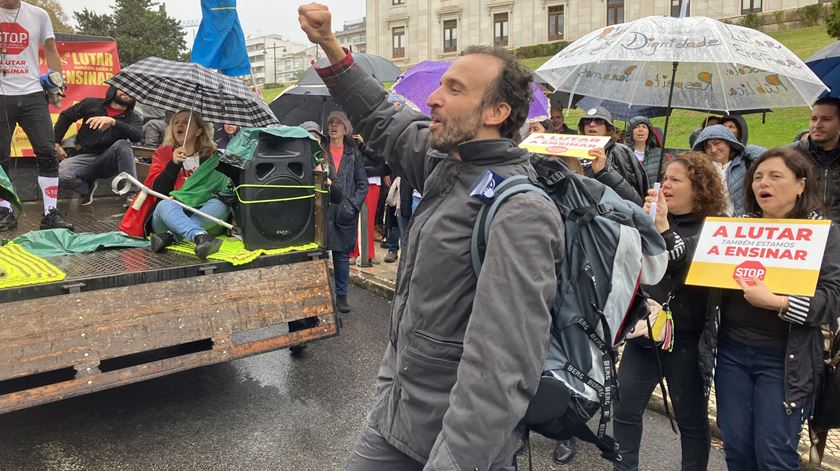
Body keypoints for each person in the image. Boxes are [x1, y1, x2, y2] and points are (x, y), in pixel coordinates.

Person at [299, 4, 564, 469]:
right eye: (441, 85)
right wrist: (330, 46)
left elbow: (500, 369)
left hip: (455, 445)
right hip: (397, 416)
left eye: (454, 89)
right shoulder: (446, 164)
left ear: (497, 112)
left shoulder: (522, 212)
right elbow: (383, 117)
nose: (433, 99)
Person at [699, 148, 840, 470]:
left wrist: (781, 303)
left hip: (784, 362)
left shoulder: (823, 234)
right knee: (736, 446)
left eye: (776, 176)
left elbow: (833, 299)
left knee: (773, 453)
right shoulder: (737, 228)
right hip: (732, 355)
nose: (764, 183)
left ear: (801, 185)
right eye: (758, 177)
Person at [613, 152, 729, 471]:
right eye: (664, 178)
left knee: (691, 421)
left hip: (688, 342)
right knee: (624, 409)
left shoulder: (715, 227)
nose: (666, 184)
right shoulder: (653, 217)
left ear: (699, 187)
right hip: (647, 332)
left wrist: (662, 229)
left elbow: (680, 253)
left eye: (675, 180)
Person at [119, 110, 232, 260]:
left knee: (221, 204)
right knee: (165, 205)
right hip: (167, 217)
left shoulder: (212, 158)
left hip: (204, 213)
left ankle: (172, 236)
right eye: (176, 122)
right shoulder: (163, 154)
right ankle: (199, 236)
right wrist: (173, 165)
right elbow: (157, 191)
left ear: (199, 130)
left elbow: (224, 189)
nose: (180, 125)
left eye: (186, 122)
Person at [0, 0, 73, 231]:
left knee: (47, 150)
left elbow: (51, 50)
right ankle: (5, 209)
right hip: (1, 94)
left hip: (32, 94)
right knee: (0, 157)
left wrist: (57, 84)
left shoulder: (39, 14)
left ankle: (51, 212)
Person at [53, 86, 142, 206]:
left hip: (110, 160)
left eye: (132, 91)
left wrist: (113, 122)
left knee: (123, 144)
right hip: (85, 157)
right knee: (60, 174)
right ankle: (86, 187)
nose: (127, 92)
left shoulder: (133, 117)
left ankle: (133, 193)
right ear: (114, 90)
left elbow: (137, 136)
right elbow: (66, 116)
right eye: (123, 88)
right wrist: (56, 143)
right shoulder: (91, 104)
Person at [324, 111, 368, 314]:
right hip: (323, 211)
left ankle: (341, 297)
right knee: (321, 256)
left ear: (345, 128)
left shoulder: (354, 153)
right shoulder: (320, 150)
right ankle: (323, 295)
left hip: (345, 211)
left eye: (338, 123)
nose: (334, 127)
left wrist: (352, 205)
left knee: (341, 257)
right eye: (331, 123)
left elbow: (362, 184)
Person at [578, 106, 649, 200]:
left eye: (599, 121)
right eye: (586, 122)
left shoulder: (621, 151)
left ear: (608, 128)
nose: (591, 124)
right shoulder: (573, 150)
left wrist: (604, 172)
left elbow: (633, 195)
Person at [789, 97, 840, 222]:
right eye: (813, 119)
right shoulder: (790, 155)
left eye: (826, 119)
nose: (817, 125)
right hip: (803, 232)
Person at [692, 124, 754, 216]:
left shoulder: (745, 164)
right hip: (710, 225)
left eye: (717, 143)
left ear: (729, 143)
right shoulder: (700, 170)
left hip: (741, 225)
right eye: (707, 147)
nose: (713, 150)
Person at [350, 133, 386, 265]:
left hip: (372, 181)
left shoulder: (378, 137)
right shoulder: (351, 136)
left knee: (369, 218)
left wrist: (363, 145)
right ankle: (354, 252)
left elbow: (380, 157)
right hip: (356, 181)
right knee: (354, 218)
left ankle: (369, 253)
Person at [626, 116, 664, 186]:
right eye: (636, 127)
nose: (641, 129)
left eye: (644, 127)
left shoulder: (659, 154)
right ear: (630, 131)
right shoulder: (623, 153)